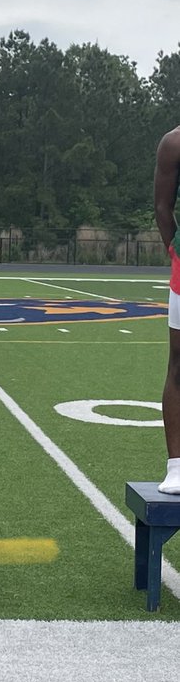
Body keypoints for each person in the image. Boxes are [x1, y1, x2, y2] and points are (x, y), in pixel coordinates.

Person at [154, 124, 180, 493]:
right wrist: (173, 248)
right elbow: (163, 205)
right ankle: (176, 464)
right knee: (179, 363)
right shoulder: (174, 142)